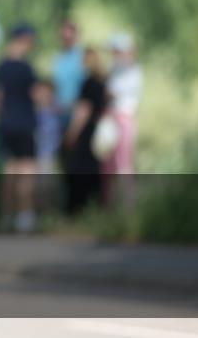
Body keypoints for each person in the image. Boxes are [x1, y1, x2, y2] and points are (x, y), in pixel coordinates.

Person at [0, 23, 38, 233]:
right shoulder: (26, 68)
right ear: (25, 40)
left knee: (10, 170)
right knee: (27, 171)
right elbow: (37, 96)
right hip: (25, 123)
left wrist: (3, 118)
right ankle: (25, 216)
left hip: (7, 125)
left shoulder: (0, 67)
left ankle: (7, 215)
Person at [63, 47, 108, 215]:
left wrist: (71, 133)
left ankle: (76, 211)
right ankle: (95, 208)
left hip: (86, 132)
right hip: (96, 131)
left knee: (78, 171)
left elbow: (83, 110)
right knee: (94, 170)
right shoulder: (102, 82)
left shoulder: (88, 83)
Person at [103, 32, 143, 208]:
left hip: (124, 119)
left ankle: (128, 207)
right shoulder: (113, 70)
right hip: (110, 120)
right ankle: (109, 207)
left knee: (123, 165)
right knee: (108, 166)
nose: (116, 55)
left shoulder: (133, 71)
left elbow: (117, 93)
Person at [32, 78, 61, 212]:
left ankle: (47, 213)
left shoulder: (55, 111)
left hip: (48, 154)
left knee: (46, 185)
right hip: (34, 154)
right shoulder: (33, 111)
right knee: (35, 186)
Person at [52, 20, 85, 135]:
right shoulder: (58, 58)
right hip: (59, 111)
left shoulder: (82, 57)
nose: (66, 39)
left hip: (76, 112)